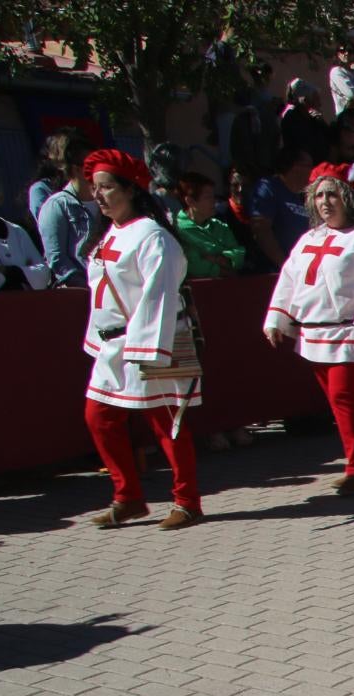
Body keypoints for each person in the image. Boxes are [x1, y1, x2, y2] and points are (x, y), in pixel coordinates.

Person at [78, 149, 204, 530]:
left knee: (166, 423)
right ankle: (128, 496)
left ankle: (187, 501)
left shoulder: (153, 236)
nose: (98, 195)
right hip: (113, 345)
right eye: (95, 188)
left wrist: (148, 349)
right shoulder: (108, 234)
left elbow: (160, 295)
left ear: (131, 190)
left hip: (150, 342)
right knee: (98, 417)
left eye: (107, 187)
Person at [263, 162, 354, 496]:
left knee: (344, 396)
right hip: (314, 334)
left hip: (352, 333)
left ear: (349, 197)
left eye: (333, 194)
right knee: (340, 402)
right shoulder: (309, 238)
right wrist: (276, 318)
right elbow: (288, 279)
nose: (325, 202)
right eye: (319, 195)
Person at [38, 139, 95, 288]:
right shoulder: (57, 205)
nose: (98, 169)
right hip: (82, 293)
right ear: (76, 169)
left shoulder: (107, 201)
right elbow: (58, 260)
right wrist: (90, 287)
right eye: (91, 164)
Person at [173, 171, 247, 278]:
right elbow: (195, 266)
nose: (214, 202)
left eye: (213, 196)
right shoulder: (177, 230)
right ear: (190, 201)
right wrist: (224, 268)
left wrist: (215, 259)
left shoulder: (220, 226)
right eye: (208, 197)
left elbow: (239, 254)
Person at [250, 146, 313, 266]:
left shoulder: (305, 195)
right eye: (309, 166)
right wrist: (285, 265)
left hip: (301, 269)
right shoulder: (269, 188)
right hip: (275, 271)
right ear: (296, 167)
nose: (311, 171)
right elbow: (261, 229)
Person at [0, 171, 51, 291]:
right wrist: (24, 273)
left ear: (0, 198)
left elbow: (44, 273)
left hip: (23, 304)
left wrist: (10, 271)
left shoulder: (17, 232)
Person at [280, 79, 331, 165]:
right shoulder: (292, 119)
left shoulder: (314, 119)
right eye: (316, 99)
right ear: (304, 100)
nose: (320, 104)